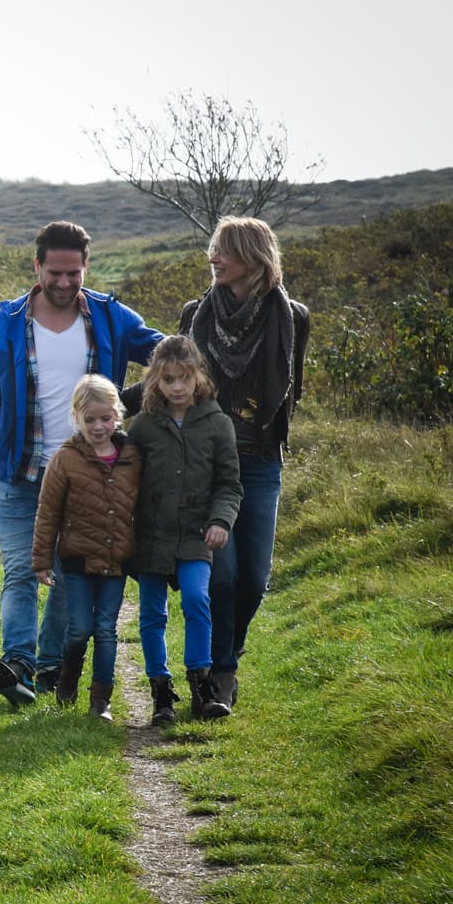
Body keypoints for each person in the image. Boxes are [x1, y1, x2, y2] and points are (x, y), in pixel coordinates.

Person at [0, 220, 163, 707]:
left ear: (86, 268)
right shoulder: (7, 322)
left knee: (71, 578)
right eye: (56, 273)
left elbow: (166, 355)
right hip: (21, 473)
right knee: (21, 572)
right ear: (37, 267)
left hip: (88, 477)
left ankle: (46, 667)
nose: (65, 283)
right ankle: (19, 663)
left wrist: (127, 405)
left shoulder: (111, 319)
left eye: (75, 273)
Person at [180, 216, 309, 711]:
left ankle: (226, 655)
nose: (213, 258)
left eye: (224, 251)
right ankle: (219, 677)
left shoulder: (293, 316)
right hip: (209, 463)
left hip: (260, 463)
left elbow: (290, 388)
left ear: (254, 258)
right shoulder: (196, 314)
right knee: (224, 575)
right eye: (212, 249)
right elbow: (178, 383)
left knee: (255, 579)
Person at [126, 336, 241, 722]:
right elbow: (125, 479)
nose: (176, 387)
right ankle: (161, 693)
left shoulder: (218, 424)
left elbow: (229, 483)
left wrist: (220, 520)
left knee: (196, 599)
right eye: (168, 379)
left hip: (196, 534)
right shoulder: (142, 427)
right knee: (152, 614)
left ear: (198, 378)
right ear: (154, 381)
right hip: (151, 535)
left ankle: (202, 685)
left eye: (184, 378)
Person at [31, 375, 141, 720]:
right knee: (79, 628)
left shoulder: (133, 457)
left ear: (118, 416)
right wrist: (41, 559)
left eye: (105, 418)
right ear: (76, 418)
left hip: (116, 559)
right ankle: (67, 682)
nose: (98, 426)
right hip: (76, 560)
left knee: (106, 629)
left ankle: (101, 701)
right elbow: (48, 512)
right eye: (89, 419)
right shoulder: (65, 460)